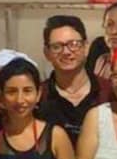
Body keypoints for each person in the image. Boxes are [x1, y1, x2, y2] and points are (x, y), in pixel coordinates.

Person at [38, 14, 112, 144]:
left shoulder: (109, 92)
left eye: (73, 44)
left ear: (86, 47)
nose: (66, 52)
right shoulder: (38, 97)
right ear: (47, 53)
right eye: (57, 46)